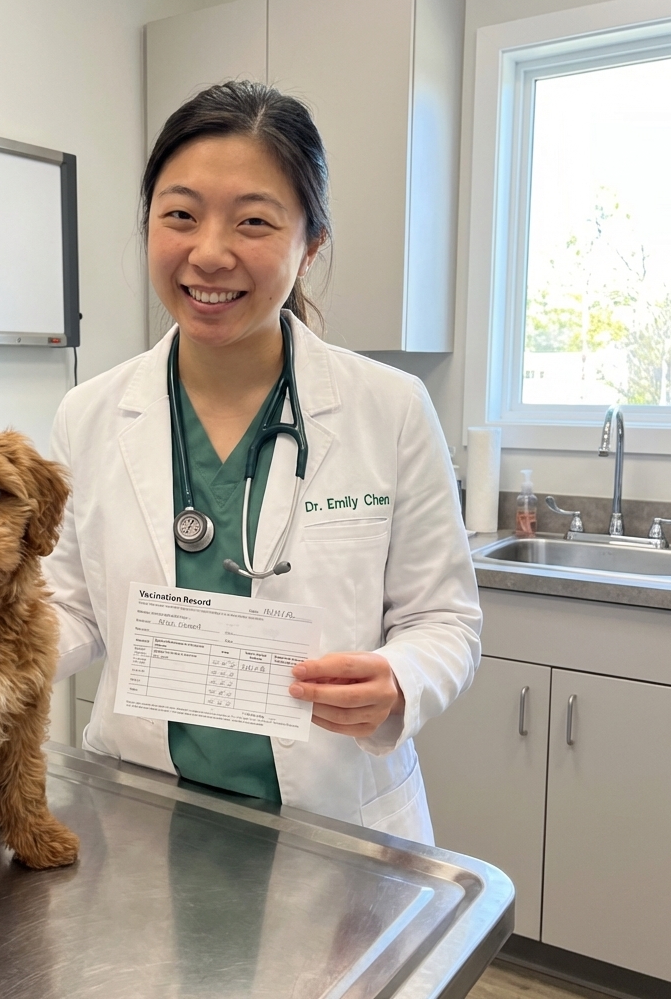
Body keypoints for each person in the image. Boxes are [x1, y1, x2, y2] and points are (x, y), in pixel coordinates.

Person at [43, 81, 480, 844]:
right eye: (179, 215)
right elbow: (70, 605)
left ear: (310, 245)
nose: (209, 253)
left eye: (253, 222)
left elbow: (442, 620)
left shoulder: (390, 408)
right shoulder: (90, 413)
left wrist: (401, 680)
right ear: (148, 224)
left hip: (335, 824)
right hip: (142, 814)